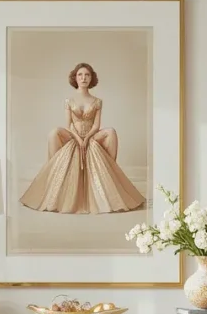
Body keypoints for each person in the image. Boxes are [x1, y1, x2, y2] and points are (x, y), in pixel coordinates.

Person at [20, 62, 146, 214]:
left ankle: (111, 175)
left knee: (111, 132)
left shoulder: (97, 101)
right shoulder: (69, 101)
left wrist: (86, 139)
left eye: (87, 75)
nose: (83, 78)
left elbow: (96, 126)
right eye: (80, 75)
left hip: (91, 136)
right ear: (75, 78)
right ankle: (53, 177)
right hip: (73, 136)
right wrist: (79, 139)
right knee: (54, 132)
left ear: (91, 78)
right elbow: (69, 125)